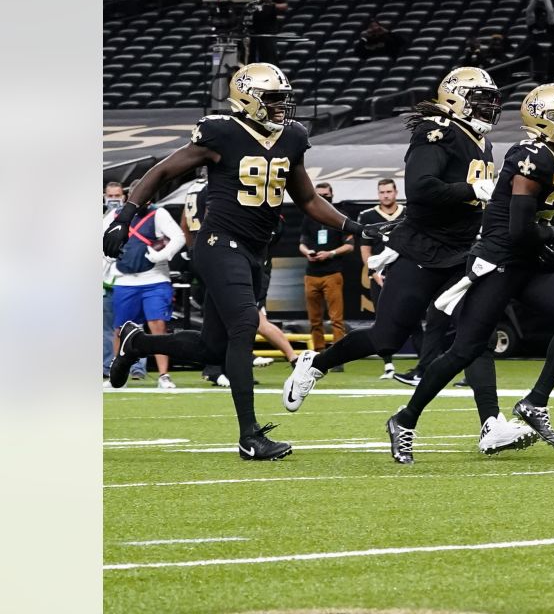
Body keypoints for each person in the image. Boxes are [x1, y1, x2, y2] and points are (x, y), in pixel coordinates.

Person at [104, 62, 393, 461]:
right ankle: (250, 436)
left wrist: (353, 225)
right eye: (273, 99)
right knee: (244, 328)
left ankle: (137, 343)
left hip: (255, 252)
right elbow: (161, 170)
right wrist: (125, 217)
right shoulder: (220, 132)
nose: (281, 108)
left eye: (282, 100)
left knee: (213, 349)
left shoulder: (292, 137)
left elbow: (307, 199)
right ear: (248, 99)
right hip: (219, 242)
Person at [283, 67, 537, 456]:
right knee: (386, 336)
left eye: (491, 99)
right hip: (423, 250)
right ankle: (316, 363)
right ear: (456, 98)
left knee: (477, 338)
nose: (490, 106)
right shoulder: (436, 131)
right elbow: (420, 190)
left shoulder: (479, 141)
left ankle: (491, 424)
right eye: (481, 99)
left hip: (464, 252)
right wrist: (471, 188)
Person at [383, 82, 554, 464]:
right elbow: (519, 227)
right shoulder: (532, 156)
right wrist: (551, 234)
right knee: (465, 349)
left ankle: (535, 402)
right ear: (544, 121)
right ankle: (405, 419)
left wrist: (544, 242)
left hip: (525, 258)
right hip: (499, 259)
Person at [182, 173, 299, 386]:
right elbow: (215, 216)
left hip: (207, 253)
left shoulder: (192, 188)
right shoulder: (220, 186)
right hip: (226, 254)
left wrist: (194, 250)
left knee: (223, 317)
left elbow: (185, 223)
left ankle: (227, 366)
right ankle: (229, 366)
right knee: (244, 315)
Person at [103, 196, 185, 389]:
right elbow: (102, 237)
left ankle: (164, 375)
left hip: (154, 279)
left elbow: (178, 237)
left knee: (157, 326)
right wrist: (108, 261)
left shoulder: (158, 213)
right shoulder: (115, 215)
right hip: (124, 279)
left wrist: (161, 255)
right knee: (120, 329)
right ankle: (117, 376)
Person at [357, 178, 407, 379]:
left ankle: (425, 363)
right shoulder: (368, 216)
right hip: (380, 276)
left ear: (396, 192)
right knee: (382, 320)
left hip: (406, 273)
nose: (386, 195)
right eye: (382, 192)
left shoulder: (407, 213)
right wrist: (374, 272)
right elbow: (365, 249)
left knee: (415, 316)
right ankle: (388, 364)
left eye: (389, 191)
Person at [299, 183, 354, 359]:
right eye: (319, 195)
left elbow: (350, 245)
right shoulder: (309, 217)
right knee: (315, 320)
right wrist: (308, 253)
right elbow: (302, 243)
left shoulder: (340, 217)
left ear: (332, 195)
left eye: (326, 195)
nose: (323, 197)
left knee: (336, 320)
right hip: (311, 273)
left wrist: (330, 253)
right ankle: (319, 354)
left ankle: (337, 357)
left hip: (332, 272)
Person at [102, 182, 146, 383]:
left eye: (117, 195)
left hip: (124, 278)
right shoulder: (106, 218)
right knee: (109, 329)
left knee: (129, 326)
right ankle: (108, 366)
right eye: (110, 195)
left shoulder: (129, 218)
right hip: (107, 279)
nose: (113, 198)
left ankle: (136, 368)